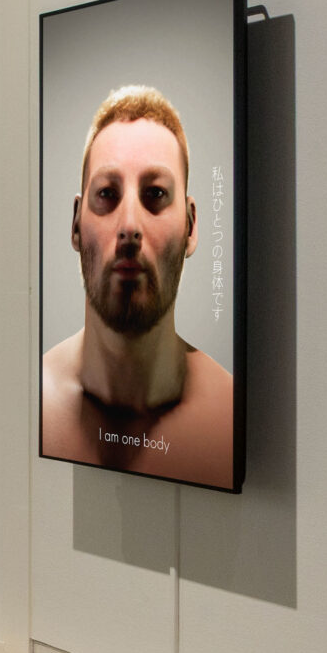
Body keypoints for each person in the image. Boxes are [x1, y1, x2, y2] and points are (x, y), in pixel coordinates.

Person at [40, 85, 234, 485]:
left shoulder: (231, 416)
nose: (129, 226)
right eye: (107, 194)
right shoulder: (32, 400)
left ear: (190, 226)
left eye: (155, 194)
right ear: (76, 223)